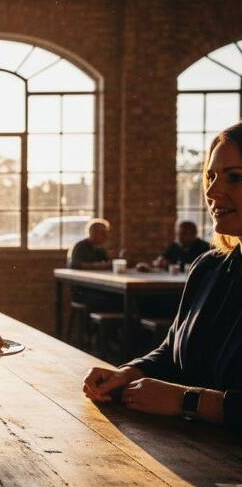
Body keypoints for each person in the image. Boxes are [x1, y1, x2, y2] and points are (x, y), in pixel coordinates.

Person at [83, 122, 242, 431]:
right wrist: (126, 374)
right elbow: (172, 351)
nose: (211, 192)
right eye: (210, 177)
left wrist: (188, 400)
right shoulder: (209, 267)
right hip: (188, 453)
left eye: (234, 177)